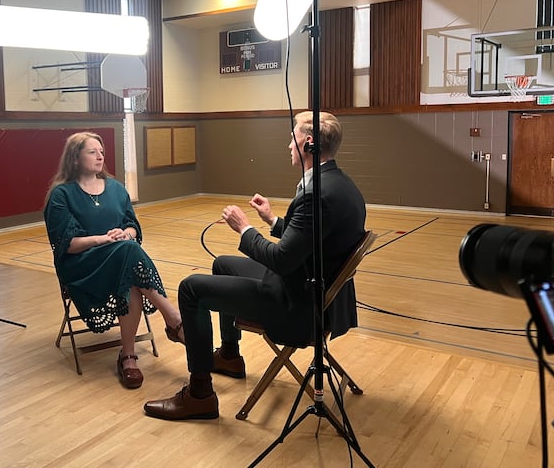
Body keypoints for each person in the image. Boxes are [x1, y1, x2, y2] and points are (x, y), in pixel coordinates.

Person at [144, 111, 366, 420]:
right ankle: (230, 356)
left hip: (296, 305)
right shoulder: (340, 185)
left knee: (190, 289)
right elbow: (309, 239)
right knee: (222, 264)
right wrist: (272, 221)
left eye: (293, 137)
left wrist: (245, 228)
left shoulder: (317, 193)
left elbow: (281, 259)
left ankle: (199, 395)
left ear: (309, 143)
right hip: (315, 291)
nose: (289, 144)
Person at [44, 131, 183, 389]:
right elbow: (67, 245)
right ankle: (173, 318)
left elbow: (133, 227)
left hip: (118, 261)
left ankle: (128, 355)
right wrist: (103, 239)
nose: (100, 156)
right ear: (75, 158)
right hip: (82, 266)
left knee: (128, 265)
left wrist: (124, 233)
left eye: (102, 152)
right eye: (92, 152)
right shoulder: (61, 196)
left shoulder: (116, 189)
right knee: (127, 253)